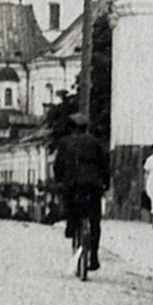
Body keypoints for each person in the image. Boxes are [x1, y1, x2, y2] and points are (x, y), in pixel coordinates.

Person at [51, 115, 110, 276]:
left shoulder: (65, 143)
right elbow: (105, 165)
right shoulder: (96, 142)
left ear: (72, 128)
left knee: (70, 206)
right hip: (93, 186)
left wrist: (59, 181)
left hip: (73, 184)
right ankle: (95, 257)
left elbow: (58, 165)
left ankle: (71, 227)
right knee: (95, 220)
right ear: (85, 128)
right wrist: (106, 184)